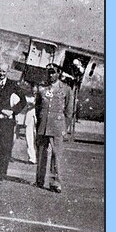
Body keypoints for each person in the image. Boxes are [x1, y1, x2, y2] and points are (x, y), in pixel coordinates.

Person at [35, 64, 74, 193]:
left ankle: (55, 183)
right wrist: (40, 121)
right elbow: (37, 107)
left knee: (56, 155)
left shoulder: (66, 89)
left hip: (57, 127)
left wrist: (64, 127)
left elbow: (69, 111)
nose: (50, 75)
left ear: (58, 73)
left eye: (53, 72)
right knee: (41, 154)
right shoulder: (42, 88)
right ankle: (39, 180)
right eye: (49, 72)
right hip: (43, 124)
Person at [0, 63, 26, 184]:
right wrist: (2, 111)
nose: (1, 74)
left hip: (8, 121)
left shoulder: (12, 84)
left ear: (7, 72)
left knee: (6, 147)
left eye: (4, 71)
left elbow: (23, 101)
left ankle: (3, 172)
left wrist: (13, 111)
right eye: (0, 71)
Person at [23, 84, 38, 164]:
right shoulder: (28, 96)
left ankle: (39, 157)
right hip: (29, 117)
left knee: (38, 138)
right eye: (33, 87)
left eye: (36, 87)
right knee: (29, 137)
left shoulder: (42, 96)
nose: (34, 89)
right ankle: (32, 158)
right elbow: (25, 105)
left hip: (39, 118)